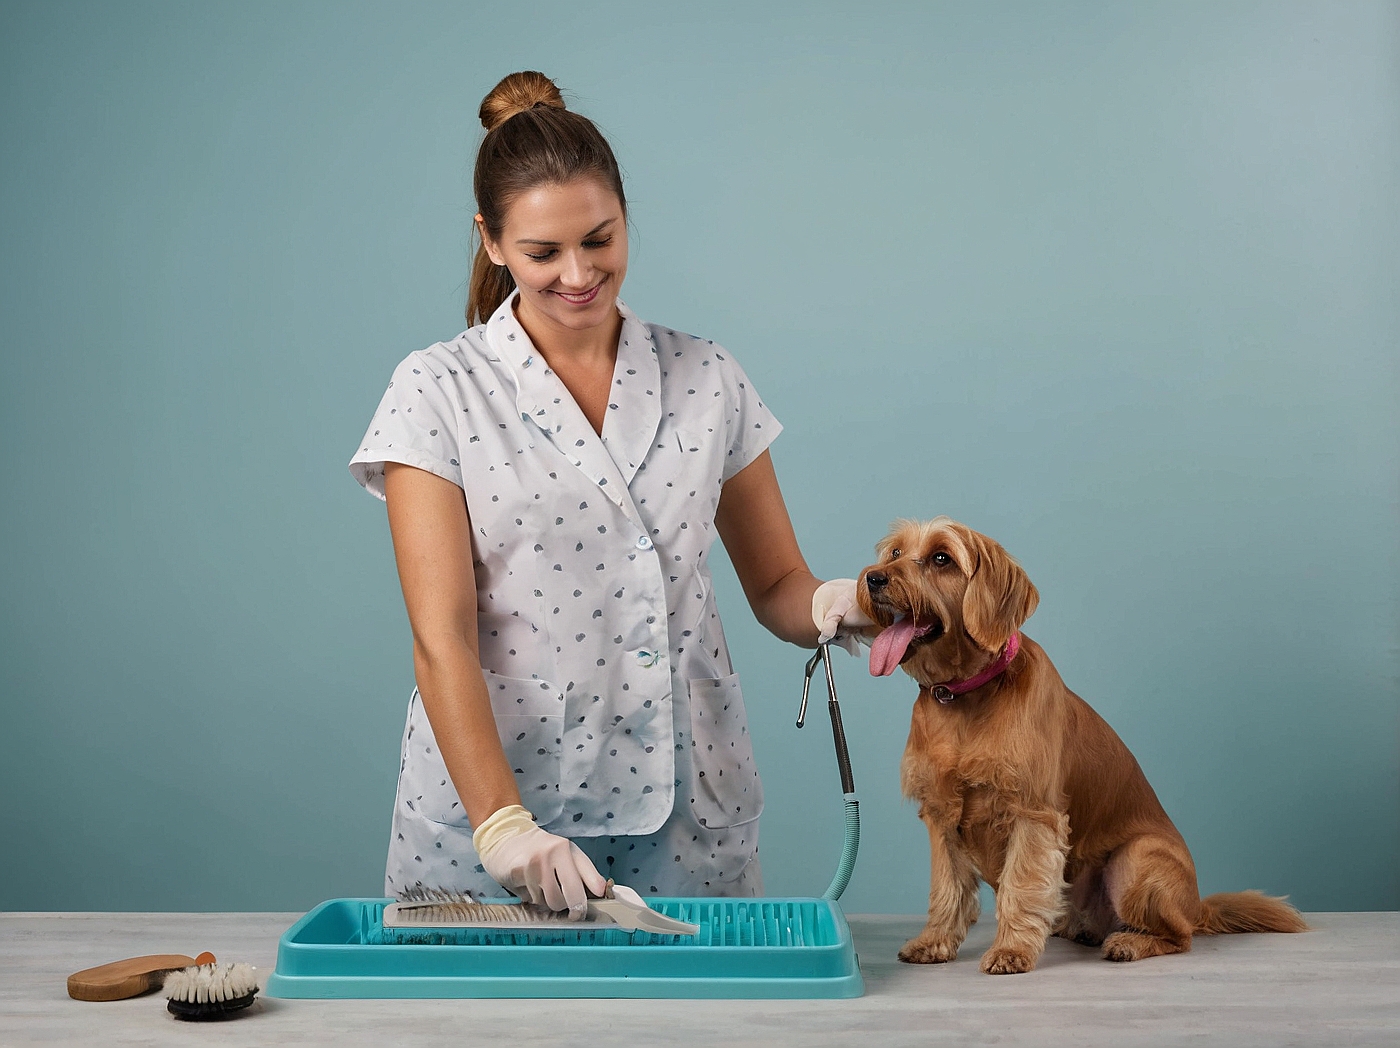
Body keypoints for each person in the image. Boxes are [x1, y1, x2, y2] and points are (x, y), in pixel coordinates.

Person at [349, 71, 868, 918]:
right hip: (497, 805)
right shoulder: (437, 390)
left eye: (600, 238)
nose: (580, 274)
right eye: (542, 254)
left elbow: (777, 586)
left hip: (684, 810)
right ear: (490, 241)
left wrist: (851, 604)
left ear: (627, 215)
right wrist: (503, 827)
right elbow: (440, 636)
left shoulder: (707, 377)